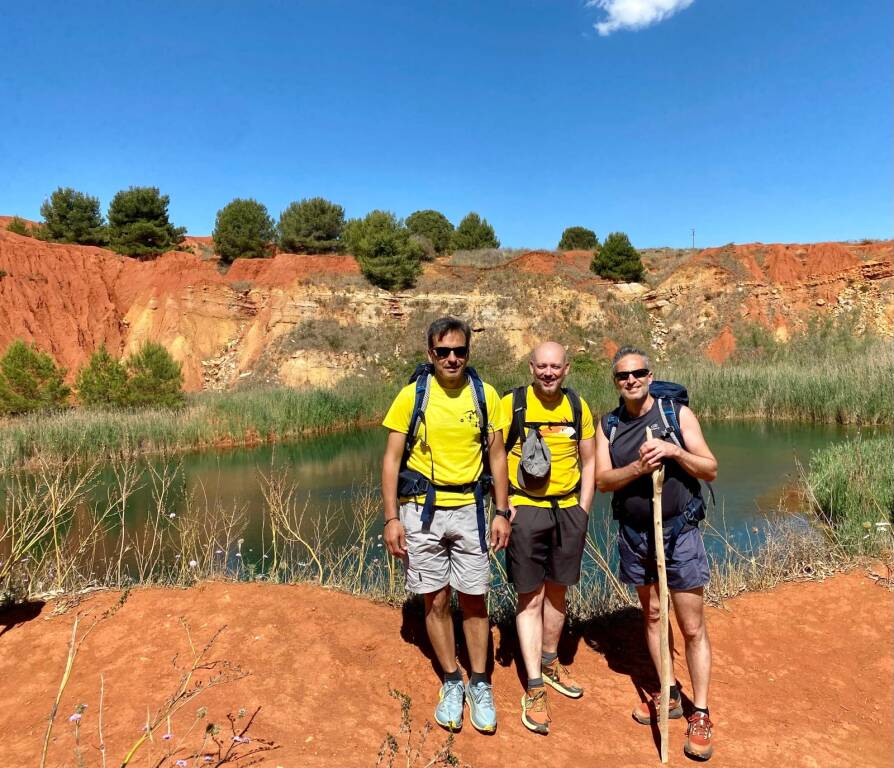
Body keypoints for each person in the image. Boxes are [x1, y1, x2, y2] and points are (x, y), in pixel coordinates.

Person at [381, 316, 511, 734]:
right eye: (443, 352)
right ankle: (452, 681)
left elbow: (497, 458)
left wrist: (502, 511)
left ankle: (479, 682)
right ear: (430, 354)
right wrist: (390, 518)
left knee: (474, 600)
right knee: (434, 600)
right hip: (421, 512)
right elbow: (390, 459)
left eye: (460, 351)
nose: (452, 358)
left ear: (468, 353)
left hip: (472, 511)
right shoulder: (411, 396)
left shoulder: (485, 394)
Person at [595, 346, 718, 761]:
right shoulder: (608, 425)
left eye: (638, 373)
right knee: (651, 614)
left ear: (650, 375)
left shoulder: (674, 415)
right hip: (634, 535)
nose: (631, 380)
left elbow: (710, 467)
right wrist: (637, 470)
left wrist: (674, 452)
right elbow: (602, 480)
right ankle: (668, 692)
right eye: (622, 376)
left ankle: (699, 711)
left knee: (691, 625)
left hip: (679, 533)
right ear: (616, 382)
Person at [501, 342, 595, 735]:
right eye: (541, 366)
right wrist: (504, 508)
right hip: (526, 508)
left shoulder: (578, 406)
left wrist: (583, 508)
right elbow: (492, 458)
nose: (548, 373)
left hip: (568, 508)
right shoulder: (513, 404)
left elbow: (590, 460)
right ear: (531, 367)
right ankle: (535, 686)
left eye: (555, 366)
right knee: (531, 595)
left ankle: (551, 660)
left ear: (567, 369)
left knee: (558, 590)